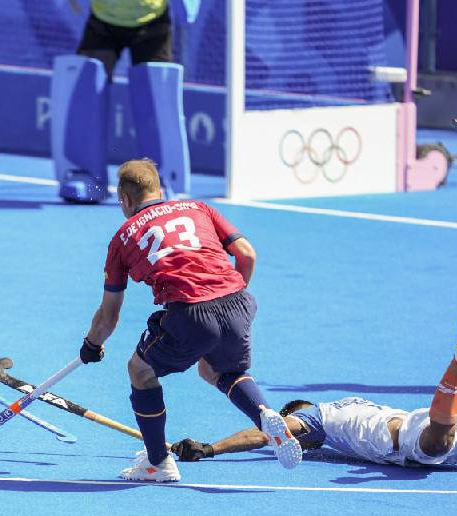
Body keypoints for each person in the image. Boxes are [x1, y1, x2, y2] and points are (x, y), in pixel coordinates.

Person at [78, 158, 300, 482]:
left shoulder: (123, 238)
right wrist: (230, 295)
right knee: (217, 370)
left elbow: (109, 315)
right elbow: (247, 254)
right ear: (159, 188)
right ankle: (263, 413)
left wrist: (91, 345)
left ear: (125, 200)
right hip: (238, 301)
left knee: (140, 370)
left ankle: (158, 463)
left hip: (192, 312)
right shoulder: (198, 208)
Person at [171, 312, 457, 468]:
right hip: (424, 417)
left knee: (437, 442)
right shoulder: (355, 403)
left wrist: (210, 448)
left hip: (409, 438)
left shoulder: (315, 418)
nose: (300, 440)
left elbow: (266, 431)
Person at [52, 0, 192, 202]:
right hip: (102, 21)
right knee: (87, 91)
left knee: (155, 95)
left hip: (153, 23)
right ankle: (87, 174)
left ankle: (156, 180)